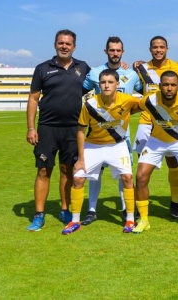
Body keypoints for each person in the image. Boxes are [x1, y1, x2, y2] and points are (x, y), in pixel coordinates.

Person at [26, 29, 90, 231]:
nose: (64, 46)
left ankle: (65, 210)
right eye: (61, 43)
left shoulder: (83, 67)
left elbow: (104, 79)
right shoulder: (43, 68)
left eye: (68, 43)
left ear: (74, 47)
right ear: (55, 45)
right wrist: (30, 127)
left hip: (73, 129)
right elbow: (33, 98)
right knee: (44, 170)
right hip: (47, 128)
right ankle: (39, 215)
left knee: (67, 170)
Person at [63, 69, 141, 235]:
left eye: (110, 82)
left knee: (127, 177)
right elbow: (80, 131)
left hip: (117, 145)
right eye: (103, 82)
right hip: (93, 146)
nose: (106, 85)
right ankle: (75, 221)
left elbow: (144, 105)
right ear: (99, 85)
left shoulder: (127, 100)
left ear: (117, 85)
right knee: (77, 179)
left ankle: (130, 219)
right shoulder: (90, 103)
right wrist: (81, 159)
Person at [80, 36, 142, 226]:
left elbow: (144, 91)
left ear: (123, 52)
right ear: (106, 51)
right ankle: (91, 210)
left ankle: (125, 209)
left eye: (118, 50)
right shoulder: (95, 73)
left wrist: (142, 66)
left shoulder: (131, 74)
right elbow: (80, 91)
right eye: (112, 50)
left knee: (125, 175)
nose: (115, 53)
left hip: (122, 137)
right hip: (97, 136)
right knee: (94, 174)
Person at [133, 71, 178, 233]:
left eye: (172, 85)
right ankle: (144, 220)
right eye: (165, 85)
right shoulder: (149, 99)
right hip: (156, 141)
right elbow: (131, 108)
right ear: (160, 86)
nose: (169, 88)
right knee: (141, 176)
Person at [133, 36, 178, 219]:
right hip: (147, 121)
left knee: (173, 163)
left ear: (167, 48)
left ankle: (174, 202)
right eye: (155, 47)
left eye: (161, 47)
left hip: (170, 122)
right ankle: (139, 207)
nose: (158, 50)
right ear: (150, 49)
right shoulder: (142, 68)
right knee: (142, 166)